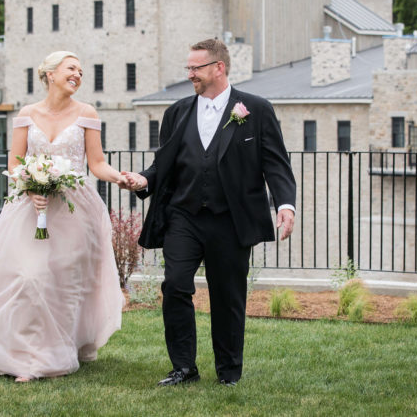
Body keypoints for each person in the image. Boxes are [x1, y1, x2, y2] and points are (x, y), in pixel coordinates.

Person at [122, 38, 296, 387]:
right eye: (188, 68)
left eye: (196, 68)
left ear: (219, 68)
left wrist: (285, 205)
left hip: (230, 220)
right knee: (174, 286)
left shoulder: (256, 109)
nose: (190, 74)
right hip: (183, 216)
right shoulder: (176, 112)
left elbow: (275, 163)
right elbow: (164, 164)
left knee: (228, 295)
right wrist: (143, 180)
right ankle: (183, 367)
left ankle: (228, 372)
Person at [0, 51, 126, 382]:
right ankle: (22, 352)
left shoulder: (87, 113)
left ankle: (57, 349)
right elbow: (16, 164)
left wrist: (119, 178)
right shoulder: (26, 114)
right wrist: (29, 185)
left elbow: (97, 164)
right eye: (71, 68)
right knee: (29, 276)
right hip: (32, 207)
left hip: (76, 208)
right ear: (49, 74)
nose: (77, 74)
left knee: (65, 281)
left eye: (81, 71)